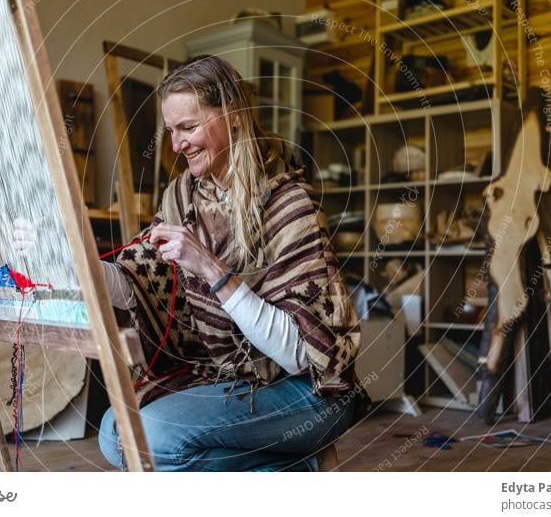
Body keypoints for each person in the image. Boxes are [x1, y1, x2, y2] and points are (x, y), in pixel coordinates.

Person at [19, 55, 361, 471]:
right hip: (231, 379)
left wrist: (211, 268)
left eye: (188, 127)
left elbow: (300, 356)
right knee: (116, 433)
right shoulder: (183, 197)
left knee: (154, 437)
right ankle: (299, 468)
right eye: (171, 131)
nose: (177, 145)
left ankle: (296, 463)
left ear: (233, 114)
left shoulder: (290, 205)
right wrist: (65, 258)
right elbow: (139, 281)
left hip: (307, 392)